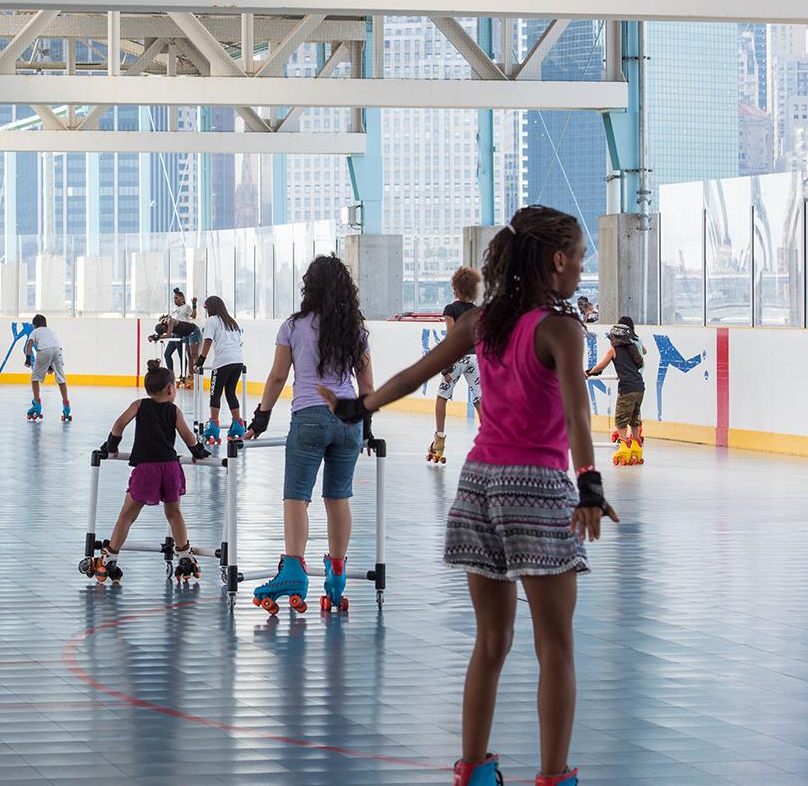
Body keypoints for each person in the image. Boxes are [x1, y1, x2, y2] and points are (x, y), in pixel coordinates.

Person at [320, 205, 618, 786]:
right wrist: (589, 481)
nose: (583, 269)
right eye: (581, 257)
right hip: (535, 489)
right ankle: (555, 776)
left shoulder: (481, 323)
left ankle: (474, 769)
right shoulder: (561, 329)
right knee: (555, 644)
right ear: (556, 260)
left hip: (478, 486)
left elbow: (414, 375)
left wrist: (362, 406)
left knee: (491, 640)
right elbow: (580, 413)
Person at [245, 255, 373, 615]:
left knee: (296, 496)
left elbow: (276, 377)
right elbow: (367, 384)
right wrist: (368, 426)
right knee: (338, 498)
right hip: (349, 420)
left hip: (310, 416)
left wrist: (261, 417)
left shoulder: (294, 326)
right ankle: (336, 575)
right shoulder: (355, 330)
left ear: (309, 287)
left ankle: (294, 572)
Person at [90, 361, 209, 585]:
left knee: (128, 514)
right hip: (170, 468)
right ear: (170, 389)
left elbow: (119, 424)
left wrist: (112, 445)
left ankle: (110, 557)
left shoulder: (139, 405)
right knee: (174, 513)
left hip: (146, 469)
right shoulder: (175, 411)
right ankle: (184, 555)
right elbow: (188, 437)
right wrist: (198, 452)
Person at [428, 266, 484, 466]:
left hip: (457, 358)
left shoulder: (451, 309)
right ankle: (489, 437)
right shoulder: (478, 311)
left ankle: (439, 440)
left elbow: (452, 337)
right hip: (474, 358)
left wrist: (446, 367)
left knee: (442, 397)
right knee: (479, 399)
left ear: (456, 290)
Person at [589, 316, 647, 466]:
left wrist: (589, 372)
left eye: (612, 338)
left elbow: (600, 366)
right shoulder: (632, 348)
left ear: (617, 339)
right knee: (634, 419)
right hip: (640, 387)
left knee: (620, 420)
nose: (611, 340)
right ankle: (636, 447)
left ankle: (624, 448)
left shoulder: (613, 350)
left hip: (627, 389)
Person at [193, 295, 245, 445]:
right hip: (238, 361)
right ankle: (238, 426)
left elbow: (208, 340)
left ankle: (213, 427)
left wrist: (200, 361)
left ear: (211, 308)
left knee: (215, 393)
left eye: (206, 308)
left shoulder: (212, 320)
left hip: (223, 361)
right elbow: (239, 343)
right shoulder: (232, 322)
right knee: (230, 393)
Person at [24, 314, 71, 423]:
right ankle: (66, 405)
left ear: (34, 325)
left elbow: (30, 343)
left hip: (44, 351)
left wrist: (27, 358)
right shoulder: (51, 331)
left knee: (35, 378)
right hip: (58, 350)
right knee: (61, 379)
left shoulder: (35, 331)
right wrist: (51, 365)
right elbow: (53, 347)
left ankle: (37, 404)